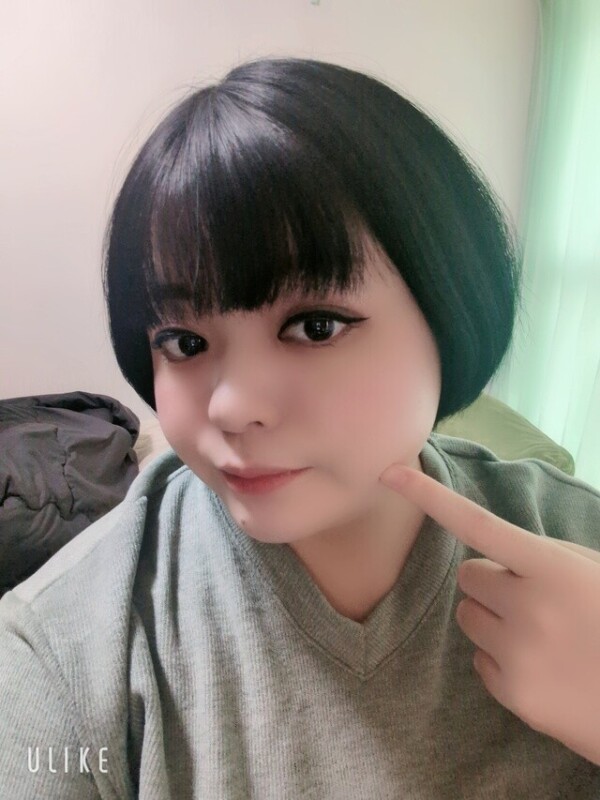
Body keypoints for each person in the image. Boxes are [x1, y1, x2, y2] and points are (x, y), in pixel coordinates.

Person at [1, 56, 599, 799]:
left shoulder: (578, 539)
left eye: (315, 326)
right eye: (184, 342)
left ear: (450, 313)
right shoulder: (63, 650)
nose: (230, 408)